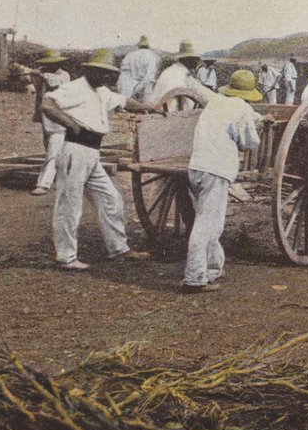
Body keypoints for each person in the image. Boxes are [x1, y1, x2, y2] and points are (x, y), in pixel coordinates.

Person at [41, 49, 161, 270]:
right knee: (70, 205)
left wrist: (148, 107)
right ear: (89, 70)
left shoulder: (103, 91)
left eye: (107, 74)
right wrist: (72, 124)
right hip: (75, 149)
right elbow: (48, 105)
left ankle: (118, 249)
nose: (104, 77)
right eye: (100, 72)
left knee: (111, 198)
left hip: (92, 152)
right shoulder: (74, 87)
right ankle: (66, 257)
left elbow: (124, 101)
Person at [181, 70, 263, 293]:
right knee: (206, 224)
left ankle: (213, 268)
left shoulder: (216, 101)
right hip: (217, 169)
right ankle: (194, 278)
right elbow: (250, 142)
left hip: (197, 166)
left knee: (210, 221)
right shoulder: (244, 108)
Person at [29, 49, 71, 197]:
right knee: (52, 151)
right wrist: (34, 75)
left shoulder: (64, 76)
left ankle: (43, 184)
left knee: (52, 153)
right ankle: (63, 177)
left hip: (60, 121)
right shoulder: (45, 75)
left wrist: (40, 75)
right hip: (46, 120)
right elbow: (36, 84)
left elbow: (54, 82)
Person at [150, 40, 214, 109]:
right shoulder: (179, 74)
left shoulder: (175, 70)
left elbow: (199, 88)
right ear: (187, 59)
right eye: (195, 58)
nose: (198, 61)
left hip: (159, 108)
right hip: (172, 113)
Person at [117, 36, 160, 101]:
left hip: (128, 89)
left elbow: (123, 74)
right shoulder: (152, 56)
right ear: (148, 46)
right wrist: (138, 90)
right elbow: (149, 76)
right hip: (144, 91)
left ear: (139, 46)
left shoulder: (130, 55)